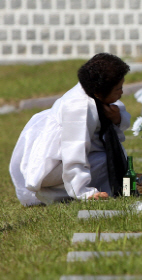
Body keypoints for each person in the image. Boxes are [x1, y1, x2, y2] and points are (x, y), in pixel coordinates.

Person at [10, 53, 131, 206]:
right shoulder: (78, 108)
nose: (121, 92)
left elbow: (117, 109)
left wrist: (117, 118)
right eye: (118, 89)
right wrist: (83, 192)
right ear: (100, 93)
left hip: (61, 160)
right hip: (50, 166)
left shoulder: (92, 90)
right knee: (105, 160)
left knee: (113, 156)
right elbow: (74, 154)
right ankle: (62, 193)